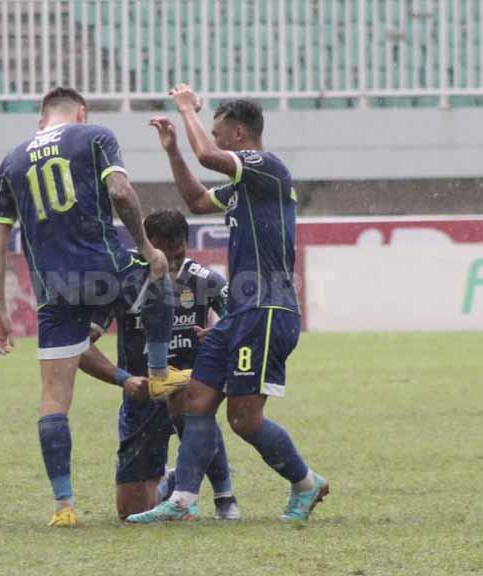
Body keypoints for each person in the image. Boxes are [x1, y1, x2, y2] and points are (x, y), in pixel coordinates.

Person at [0, 87, 189, 527]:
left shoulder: (12, 161)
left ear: (42, 121)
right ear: (80, 112)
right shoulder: (94, 135)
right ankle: (157, 373)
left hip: (53, 290)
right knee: (159, 277)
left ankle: (64, 506)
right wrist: (145, 244)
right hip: (103, 269)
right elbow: (119, 191)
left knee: (54, 400)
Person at [127, 86, 328, 523]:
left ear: (239, 134)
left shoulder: (266, 167)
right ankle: (182, 500)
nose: (213, 140)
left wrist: (185, 111)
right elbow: (198, 200)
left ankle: (306, 483)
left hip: (267, 309)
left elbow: (207, 158)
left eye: (218, 133)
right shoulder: (244, 187)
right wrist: (173, 150)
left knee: (244, 419)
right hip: (239, 312)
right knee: (197, 399)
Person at [77, 209, 240, 521]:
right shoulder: (124, 281)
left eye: (179, 254)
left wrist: (220, 334)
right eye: (166, 255)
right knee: (130, 514)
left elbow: (243, 318)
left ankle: (225, 497)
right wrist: (124, 378)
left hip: (190, 390)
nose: (173, 264)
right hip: (142, 399)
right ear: (146, 246)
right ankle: (172, 480)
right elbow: (81, 345)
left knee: (193, 404)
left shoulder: (203, 280)